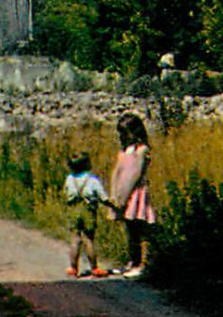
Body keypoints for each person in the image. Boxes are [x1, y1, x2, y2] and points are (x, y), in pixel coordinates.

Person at [108, 113, 156, 279]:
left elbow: (135, 175)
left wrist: (123, 197)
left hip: (135, 194)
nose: (122, 136)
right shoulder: (124, 150)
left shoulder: (141, 151)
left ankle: (142, 264)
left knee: (139, 229)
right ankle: (132, 261)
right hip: (122, 194)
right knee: (130, 230)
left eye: (125, 132)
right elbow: (117, 172)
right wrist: (114, 194)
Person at [63, 153, 116, 278]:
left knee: (75, 239)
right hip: (88, 210)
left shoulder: (69, 179)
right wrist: (111, 205)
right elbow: (103, 197)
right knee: (88, 239)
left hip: (73, 210)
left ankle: (73, 268)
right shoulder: (92, 180)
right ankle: (94, 268)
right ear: (87, 164)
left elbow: (66, 193)